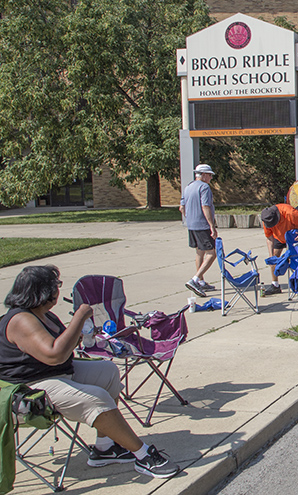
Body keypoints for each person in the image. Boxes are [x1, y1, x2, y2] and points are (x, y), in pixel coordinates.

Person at [0, 265, 179, 479]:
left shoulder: (43, 315)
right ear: (42, 292)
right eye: (55, 285)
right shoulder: (20, 320)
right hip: (28, 389)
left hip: (54, 375)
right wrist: (80, 316)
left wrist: (85, 332)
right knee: (97, 398)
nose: (58, 289)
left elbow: (64, 348)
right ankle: (144, 456)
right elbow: (54, 354)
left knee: (107, 371)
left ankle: (104, 448)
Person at [180, 163, 217, 298]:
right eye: (210, 175)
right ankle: (195, 279)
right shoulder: (204, 187)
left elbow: (182, 207)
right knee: (212, 253)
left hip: (191, 224)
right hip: (202, 225)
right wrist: (211, 225)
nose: (211, 178)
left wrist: (189, 218)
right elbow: (205, 206)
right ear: (204, 175)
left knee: (199, 252)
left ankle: (201, 281)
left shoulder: (188, 186)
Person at [260, 203, 298, 295]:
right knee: (273, 259)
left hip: (295, 235)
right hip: (279, 237)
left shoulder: (290, 213)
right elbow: (269, 238)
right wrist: (271, 254)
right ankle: (275, 285)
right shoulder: (267, 220)